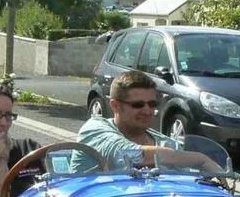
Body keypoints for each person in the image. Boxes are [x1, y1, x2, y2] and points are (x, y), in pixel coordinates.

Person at [76, 70, 221, 172]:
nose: (147, 111)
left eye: (152, 104)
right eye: (138, 104)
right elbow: (129, 154)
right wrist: (201, 159)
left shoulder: (167, 144)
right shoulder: (95, 128)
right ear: (115, 106)